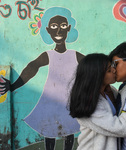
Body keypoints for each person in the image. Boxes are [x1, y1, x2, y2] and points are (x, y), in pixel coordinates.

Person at [0, 7, 84, 150]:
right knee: (49, 132)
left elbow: (94, 67)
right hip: (50, 100)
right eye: (54, 27)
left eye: (63, 26)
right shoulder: (48, 55)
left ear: (68, 28)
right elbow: (32, 68)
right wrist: (13, 86)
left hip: (69, 100)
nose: (58, 31)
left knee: (69, 131)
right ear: (48, 30)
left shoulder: (74, 55)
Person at [69, 53, 126, 150]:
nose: (114, 70)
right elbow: (121, 127)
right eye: (109, 70)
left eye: (113, 66)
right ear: (98, 76)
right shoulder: (89, 104)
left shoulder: (109, 92)